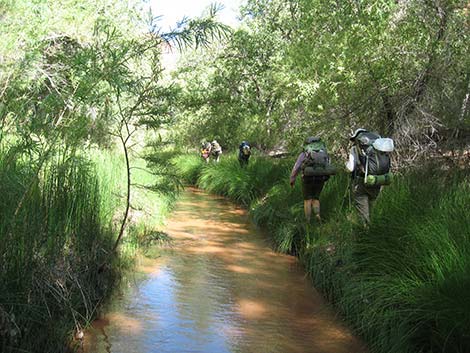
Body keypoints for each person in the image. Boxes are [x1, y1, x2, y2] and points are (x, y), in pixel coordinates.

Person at [346, 128, 393, 223]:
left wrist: (346, 165)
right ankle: (374, 230)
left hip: (361, 182)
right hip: (377, 181)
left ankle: (365, 232)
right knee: (373, 209)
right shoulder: (378, 147)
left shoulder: (355, 148)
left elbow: (350, 168)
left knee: (363, 212)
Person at [290, 136, 335, 223]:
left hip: (307, 178)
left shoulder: (305, 152)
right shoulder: (324, 151)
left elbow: (297, 167)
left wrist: (292, 179)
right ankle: (317, 215)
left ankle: (308, 221)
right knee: (316, 198)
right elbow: (328, 164)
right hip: (321, 177)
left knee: (307, 199)